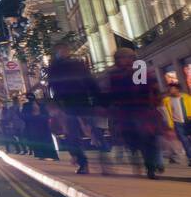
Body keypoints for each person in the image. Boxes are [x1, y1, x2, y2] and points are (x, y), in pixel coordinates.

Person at [102, 48, 163, 179]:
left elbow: (151, 88)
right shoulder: (114, 74)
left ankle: (150, 167)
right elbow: (110, 94)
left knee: (148, 140)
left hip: (142, 110)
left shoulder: (140, 71)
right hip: (126, 112)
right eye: (121, 58)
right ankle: (142, 158)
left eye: (127, 57)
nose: (124, 60)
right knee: (133, 139)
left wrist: (153, 102)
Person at [46, 43, 98, 174]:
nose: (63, 52)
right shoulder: (54, 68)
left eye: (65, 49)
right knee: (72, 134)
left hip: (81, 101)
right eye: (60, 50)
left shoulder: (76, 64)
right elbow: (52, 86)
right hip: (67, 104)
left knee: (92, 130)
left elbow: (89, 81)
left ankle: (98, 156)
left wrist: (96, 96)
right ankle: (82, 161)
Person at [162, 83, 191, 164]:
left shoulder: (186, 98)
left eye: (172, 89)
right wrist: (170, 124)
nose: (170, 90)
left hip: (188, 121)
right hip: (178, 124)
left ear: (177, 89)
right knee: (184, 141)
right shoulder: (167, 100)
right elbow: (166, 113)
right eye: (169, 89)